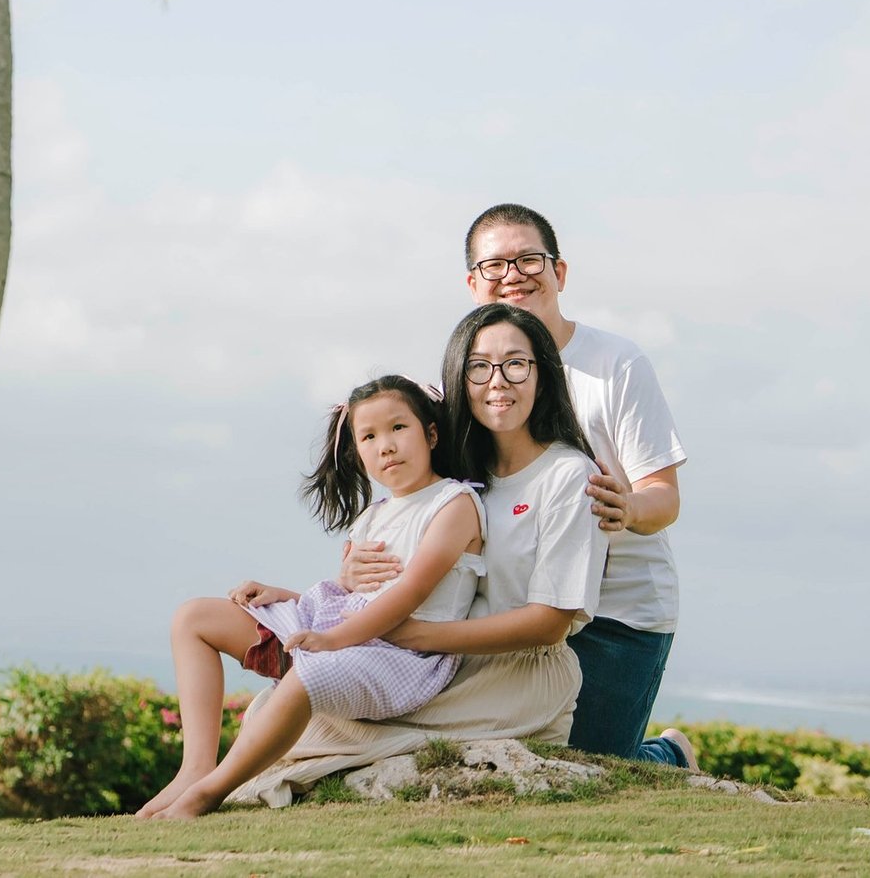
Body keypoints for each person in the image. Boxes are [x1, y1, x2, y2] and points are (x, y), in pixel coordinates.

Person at [207, 302, 612, 808]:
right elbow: (408, 562)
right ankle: (198, 784)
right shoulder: (461, 473)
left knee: (308, 721)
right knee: (278, 712)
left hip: (511, 674)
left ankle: (664, 752)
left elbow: (549, 623)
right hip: (442, 661)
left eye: (516, 364)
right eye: (479, 367)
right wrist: (350, 578)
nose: (497, 381)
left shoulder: (568, 476)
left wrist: (413, 635)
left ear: (542, 374)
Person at [347, 203, 694, 767]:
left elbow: (665, 497)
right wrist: (360, 565)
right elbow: (419, 495)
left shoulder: (616, 364)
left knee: (591, 767)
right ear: (472, 284)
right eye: (494, 265)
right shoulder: (470, 385)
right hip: (507, 606)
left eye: (529, 259)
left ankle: (669, 756)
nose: (513, 275)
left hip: (617, 612)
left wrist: (627, 507)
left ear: (559, 272)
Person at [140, 374, 487, 818]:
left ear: (431, 434)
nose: (386, 446)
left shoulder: (454, 504)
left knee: (309, 674)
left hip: (401, 655)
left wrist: (332, 641)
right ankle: (194, 768)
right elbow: (351, 597)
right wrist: (285, 597)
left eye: (399, 428)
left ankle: (209, 793)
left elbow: (408, 593)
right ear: (357, 450)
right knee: (194, 618)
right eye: (369, 436)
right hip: (343, 631)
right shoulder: (374, 516)